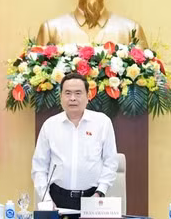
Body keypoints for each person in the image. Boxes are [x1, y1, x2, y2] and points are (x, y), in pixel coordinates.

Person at [31, 72, 119, 210]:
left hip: (92, 198)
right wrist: (47, 199)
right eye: (67, 93)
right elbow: (39, 167)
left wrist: (100, 193)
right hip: (56, 199)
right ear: (61, 97)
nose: (72, 98)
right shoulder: (50, 125)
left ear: (88, 96)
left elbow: (111, 162)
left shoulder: (102, 123)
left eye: (78, 93)